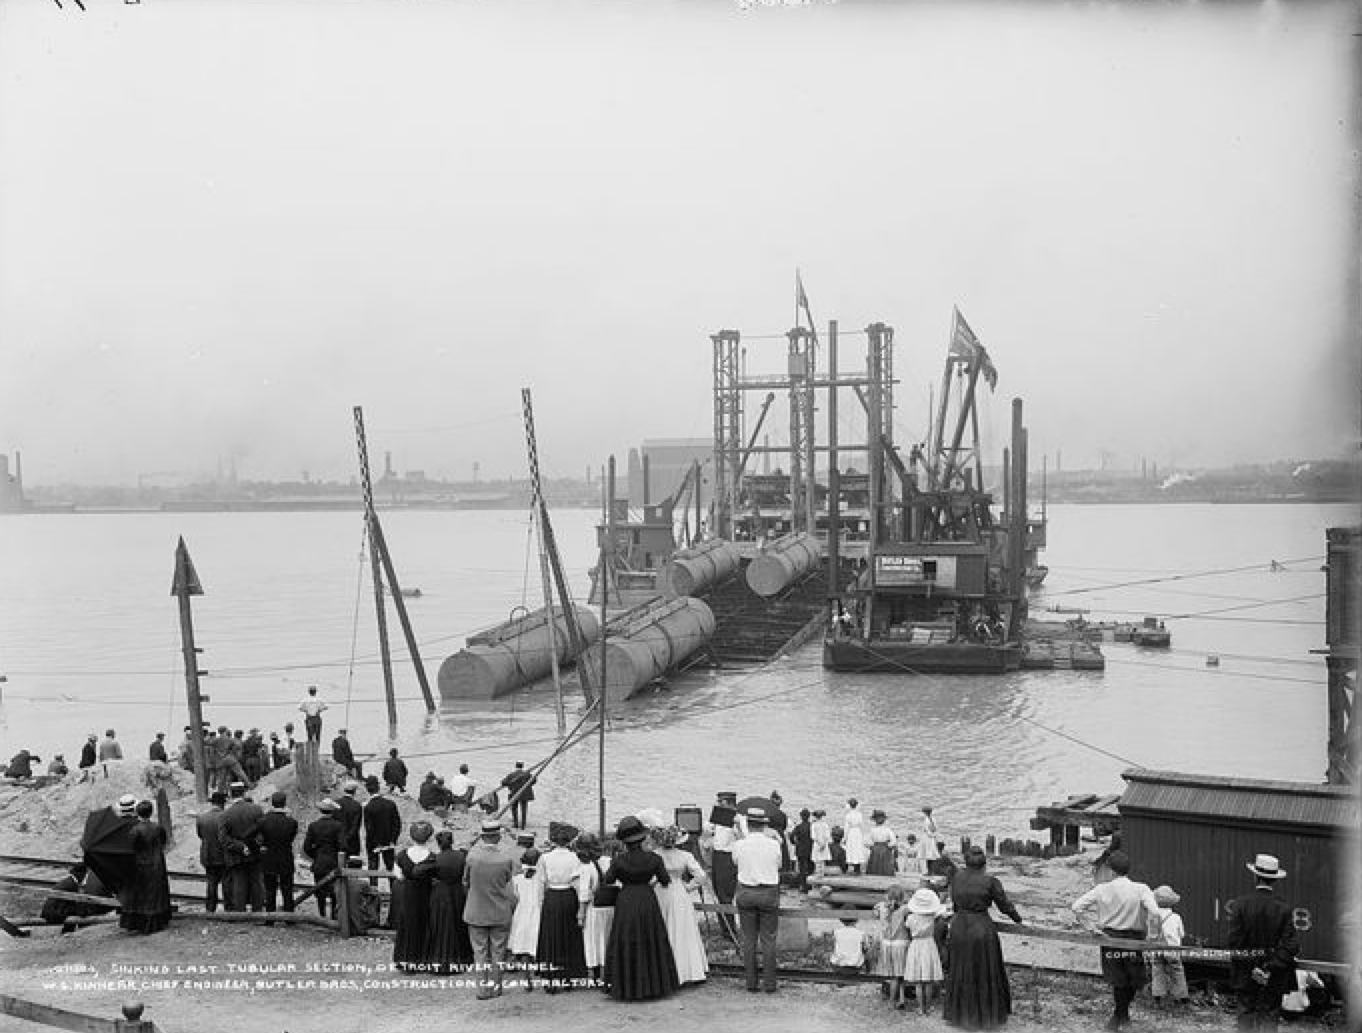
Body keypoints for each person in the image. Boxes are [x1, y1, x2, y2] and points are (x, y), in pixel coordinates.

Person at [1071, 850, 1160, 1031]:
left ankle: (1119, 1016)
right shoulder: (1141, 888)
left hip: (1110, 938)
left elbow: (1076, 907)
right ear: (1128, 869)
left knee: (1118, 980)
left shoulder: (1101, 889)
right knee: (1133, 980)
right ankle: (1122, 1017)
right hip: (1134, 940)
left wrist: (1092, 928)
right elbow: (1156, 913)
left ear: (1111, 871)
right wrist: (1153, 935)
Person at [943, 845, 1023, 1030]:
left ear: (966, 862)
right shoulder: (990, 881)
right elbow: (1004, 905)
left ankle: (961, 1013)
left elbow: (955, 902)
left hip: (959, 925)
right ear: (984, 864)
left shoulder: (956, 878)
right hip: (980, 927)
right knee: (984, 970)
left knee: (960, 968)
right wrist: (1017, 919)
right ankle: (985, 1014)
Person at [601, 815, 680, 1001]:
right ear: (643, 838)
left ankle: (626, 986)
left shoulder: (619, 860)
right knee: (650, 938)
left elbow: (608, 880)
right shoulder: (654, 858)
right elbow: (664, 880)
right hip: (646, 899)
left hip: (626, 900)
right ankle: (653, 985)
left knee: (625, 939)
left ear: (624, 842)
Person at [1227, 853, 1298, 1031]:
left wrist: (1253, 967)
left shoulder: (1240, 904)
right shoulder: (1284, 908)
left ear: (1255, 876)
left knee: (1245, 1013)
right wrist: (1267, 968)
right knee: (1269, 1016)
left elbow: (1235, 944)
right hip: (1274, 975)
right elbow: (1291, 945)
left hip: (1245, 972)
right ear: (1275, 880)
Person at [463, 818, 518, 1000]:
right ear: (498, 837)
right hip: (499, 910)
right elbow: (510, 884)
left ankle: (482, 989)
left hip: (476, 909)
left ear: (483, 836)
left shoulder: (472, 857)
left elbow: (466, 882)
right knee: (498, 951)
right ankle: (496, 986)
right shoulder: (505, 859)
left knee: (479, 952)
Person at [650, 824, 710, 985]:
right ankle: (686, 970)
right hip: (678, 891)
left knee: (664, 927)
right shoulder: (685, 855)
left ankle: (664, 971)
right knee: (682, 929)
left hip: (660, 891)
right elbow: (701, 876)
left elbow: (649, 877)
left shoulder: (655, 855)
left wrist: (653, 883)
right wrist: (689, 886)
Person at [732, 806, 782, 994]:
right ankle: (770, 984)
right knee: (768, 939)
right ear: (763, 826)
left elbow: (735, 862)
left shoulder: (740, 844)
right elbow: (779, 865)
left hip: (746, 891)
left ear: (749, 825)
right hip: (768, 892)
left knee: (749, 939)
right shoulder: (773, 844)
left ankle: (751, 983)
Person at [535, 821, 588, 992]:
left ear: (554, 841)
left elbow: (540, 882)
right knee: (568, 935)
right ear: (568, 841)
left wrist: (541, 903)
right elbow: (579, 883)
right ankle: (567, 977)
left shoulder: (545, 858)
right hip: (568, 896)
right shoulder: (575, 858)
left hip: (552, 896)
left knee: (551, 936)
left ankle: (550, 978)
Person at [427, 829, 474, 975]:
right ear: (452, 841)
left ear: (438, 843)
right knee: (458, 925)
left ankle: (439, 959)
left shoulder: (435, 858)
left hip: (441, 893)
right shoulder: (462, 856)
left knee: (441, 925)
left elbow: (418, 871)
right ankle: (462, 959)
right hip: (458, 892)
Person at [392, 821, 437, 972]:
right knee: (424, 925)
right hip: (426, 894)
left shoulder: (402, 855)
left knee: (407, 925)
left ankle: (405, 960)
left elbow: (398, 876)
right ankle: (423, 959)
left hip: (408, 892)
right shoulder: (432, 857)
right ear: (429, 837)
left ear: (411, 837)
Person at [122, 799, 171, 934]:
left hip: (141, 864)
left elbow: (131, 848)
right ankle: (158, 921)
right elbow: (164, 842)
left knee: (142, 895)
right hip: (157, 863)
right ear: (151, 812)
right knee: (157, 894)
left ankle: (142, 923)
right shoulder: (158, 827)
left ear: (138, 813)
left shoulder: (135, 830)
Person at [218, 782, 264, 912]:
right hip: (255, 853)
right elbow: (262, 832)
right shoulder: (257, 809)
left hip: (236, 855)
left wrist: (240, 847)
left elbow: (223, 838)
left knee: (239, 883)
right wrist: (254, 845)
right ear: (244, 793)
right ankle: (257, 910)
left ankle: (240, 911)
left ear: (231, 795)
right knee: (256, 882)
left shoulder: (225, 814)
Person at [575, 831, 613, 984]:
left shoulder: (587, 866)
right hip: (611, 906)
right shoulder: (609, 861)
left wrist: (581, 913)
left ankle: (593, 973)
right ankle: (606, 970)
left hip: (594, 907)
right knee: (606, 938)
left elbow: (584, 893)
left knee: (592, 940)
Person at [905, 887, 946, 1015]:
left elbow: (907, 927)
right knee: (927, 980)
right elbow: (943, 912)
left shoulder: (911, 918)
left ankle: (920, 1008)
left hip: (916, 944)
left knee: (918, 981)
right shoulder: (932, 917)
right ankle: (928, 1007)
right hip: (929, 944)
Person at [1149, 884, 1190, 1011]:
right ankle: (1181, 998)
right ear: (1171, 903)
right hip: (1173, 950)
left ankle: (1158, 999)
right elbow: (1181, 934)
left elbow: (1151, 934)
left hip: (1156, 949)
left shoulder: (1153, 917)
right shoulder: (1176, 917)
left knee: (1157, 971)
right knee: (1177, 972)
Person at [303, 798, 345, 918]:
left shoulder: (313, 826)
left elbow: (306, 847)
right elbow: (343, 845)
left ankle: (321, 914)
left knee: (319, 889)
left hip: (319, 862)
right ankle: (333, 915)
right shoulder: (338, 826)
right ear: (332, 811)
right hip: (333, 861)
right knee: (334, 891)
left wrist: (315, 855)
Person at [259, 791, 298, 917]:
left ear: (272, 803)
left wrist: (262, 847)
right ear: (284, 803)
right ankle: (289, 916)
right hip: (286, 857)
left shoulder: (263, 821)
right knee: (287, 889)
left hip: (269, 858)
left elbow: (257, 837)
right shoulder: (292, 822)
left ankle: (270, 916)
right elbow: (291, 838)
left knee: (270, 889)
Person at [507, 849, 543, 985]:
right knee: (535, 942)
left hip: (522, 912)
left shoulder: (517, 879)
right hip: (537, 912)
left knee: (523, 944)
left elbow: (516, 896)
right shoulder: (541, 879)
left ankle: (526, 975)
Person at [874, 884, 911, 1009]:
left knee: (892, 973)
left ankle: (900, 998)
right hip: (900, 943)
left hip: (886, 944)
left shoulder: (880, 907)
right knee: (898, 974)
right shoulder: (904, 909)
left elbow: (875, 912)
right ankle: (892, 1001)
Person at [362, 775, 401, 885]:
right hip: (389, 841)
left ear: (367, 789)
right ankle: (394, 891)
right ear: (378, 787)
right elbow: (397, 824)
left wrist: (375, 843)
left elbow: (369, 828)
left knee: (373, 867)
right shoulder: (390, 804)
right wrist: (393, 839)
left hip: (374, 843)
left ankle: (374, 892)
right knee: (390, 866)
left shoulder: (368, 807)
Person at [195, 791, 229, 912]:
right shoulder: (226, 816)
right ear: (223, 803)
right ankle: (228, 908)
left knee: (211, 883)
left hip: (208, 854)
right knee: (226, 883)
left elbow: (200, 835)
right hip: (223, 855)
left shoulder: (202, 818)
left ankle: (210, 908)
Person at [500, 761, 536, 830]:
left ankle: (516, 824)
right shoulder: (527, 774)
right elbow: (534, 780)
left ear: (516, 766)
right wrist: (527, 785)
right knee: (524, 810)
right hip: (525, 794)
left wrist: (510, 784)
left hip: (514, 793)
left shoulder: (511, 775)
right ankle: (523, 826)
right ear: (522, 766)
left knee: (514, 808)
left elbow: (503, 782)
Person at [866, 809, 898, 876]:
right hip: (885, 849)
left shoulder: (872, 830)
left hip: (875, 849)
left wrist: (872, 846)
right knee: (885, 866)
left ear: (874, 820)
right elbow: (894, 841)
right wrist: (889, 846)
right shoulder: (887, 829)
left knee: (874, 865)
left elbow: (866, 842)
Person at [336, 780, 363, 860]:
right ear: (354, 791)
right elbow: (356, 826)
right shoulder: (357, 806)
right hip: (352, 843)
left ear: (344, 790)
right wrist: (348, 838)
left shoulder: (336, 803)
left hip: (338, 841)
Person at [790, 808, 814, 890]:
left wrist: (794, 843)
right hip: (810, 849)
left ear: (801, 817)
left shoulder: (798, 827)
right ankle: (810, 884)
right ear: (809, 816)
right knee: (810, 868)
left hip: (800, 850)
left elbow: (791, 836)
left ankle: (802, 885)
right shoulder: (812, 826)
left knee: (802, 868)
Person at [843, 799, 867, 874]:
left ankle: (852, 866)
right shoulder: (859, 814)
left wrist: (844, 838)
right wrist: (863, 835)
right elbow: (862, 826)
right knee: (858, 848)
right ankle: (857, 867)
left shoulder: (848, 815)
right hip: (858, 832)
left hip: (851, 832)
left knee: (852, 848)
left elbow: (847, 828)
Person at [811, 809, 832, 873]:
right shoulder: (825, 824)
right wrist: (823, 844)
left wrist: (819, 844)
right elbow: (827, 836)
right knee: (823, 861)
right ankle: (822, 873)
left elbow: (813, 836)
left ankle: (818, 873)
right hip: (824, 843)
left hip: (817, 844)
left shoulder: (814, 825)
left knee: (817, 861)